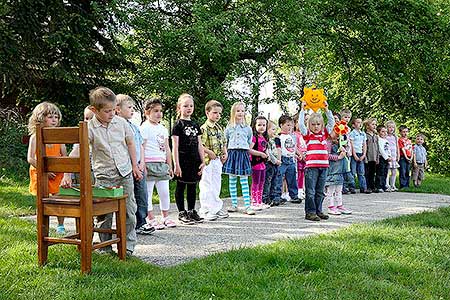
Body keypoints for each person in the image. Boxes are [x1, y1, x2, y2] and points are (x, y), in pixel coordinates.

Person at [61, 86, 141, 256]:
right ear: (93, 110)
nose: (111, 114)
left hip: (124, 172)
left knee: (129, 210)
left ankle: (127, 246)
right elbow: (76, 151)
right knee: (104, 214)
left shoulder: (121, 123)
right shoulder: (89, 128)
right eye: (107, 111)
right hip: (104, 175)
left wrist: (135, 165)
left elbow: (130, 143)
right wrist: (67, 174)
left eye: (113, 110)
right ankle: (105, 247)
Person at [116, 95, 155, 235]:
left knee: (142, 194)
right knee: (130, 196)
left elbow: (140, 145)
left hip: (139, 165)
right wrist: (133, 165)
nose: (132, 110)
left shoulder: (134, 126)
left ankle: (141, 222)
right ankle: (130, 224)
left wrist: (142, 163)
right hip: (128, 166)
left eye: (133, 107)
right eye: (129, 107)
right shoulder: (118, 126)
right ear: (117, 109)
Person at [27, 102, 67, 234]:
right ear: (40, 118)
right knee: (41, 201)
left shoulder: (59, 137)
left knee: (59, 199)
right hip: (40, 172)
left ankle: (60, 225)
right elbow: (31, 158)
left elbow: (64, 156)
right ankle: (42, 225)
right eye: (50, 117)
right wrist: (44, 170)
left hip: (56, 173)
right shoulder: (35, 137)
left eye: (56, 117)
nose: (54, 119)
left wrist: (59, 169)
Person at [140, 98, 176, 229]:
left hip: (162, 165)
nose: (159, 114)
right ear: (146, 112)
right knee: (148, 193)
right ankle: (150, 218)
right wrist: (142, 165)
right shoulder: (144, 128)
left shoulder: (163, 129)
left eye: (161, 111)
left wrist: (170, 165)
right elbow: (141, 147)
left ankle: (165, 217)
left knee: (164, 192)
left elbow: (167, 148)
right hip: (149, 164)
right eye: (155, 111)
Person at [172, 93, 205, 224]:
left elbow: (200, 145)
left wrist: (203, 161)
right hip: (182, 161)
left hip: (194, 161)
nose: (189, 108)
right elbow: (175, 146)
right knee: (181, 186)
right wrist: (176, 164)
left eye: (191, 105)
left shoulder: (196, 125)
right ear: (179, 108)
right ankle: (181, 212)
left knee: (192, 186)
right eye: (185, 106)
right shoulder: (178, 125)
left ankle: (191, 211)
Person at [299, 101, 335, 221]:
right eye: (313, 124)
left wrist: (326, 109)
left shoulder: (324, 133)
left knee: (320, 191)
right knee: (310, 191)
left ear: (321, 125)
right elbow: (301, 125)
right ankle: (310, 212)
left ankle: (319, 210)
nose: (316, 126)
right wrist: (303, 110)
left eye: (318, 124)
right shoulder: (308, 135)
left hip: (324, 166)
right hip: (311, 167)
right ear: (310, 125)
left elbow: (332, 122)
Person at [198, 100, 229, 221]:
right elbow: (200, 145)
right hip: (207, 161)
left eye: (219, 113)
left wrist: (225, 152)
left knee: (216, 184)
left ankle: (216, 208)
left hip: (217, 160)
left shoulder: (219, 128)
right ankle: (205, 209)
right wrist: (208, 152)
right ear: (207, 112)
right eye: (215, 112)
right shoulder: (204, 129)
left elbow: (224, 142)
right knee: (207, 184)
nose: (218, 115)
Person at [222, 102, 255, 215]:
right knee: (232, 180)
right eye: (238, 111)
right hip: (232, 154)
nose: (240, 113)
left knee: (244, 180)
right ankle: (234, 204)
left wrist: (247, 150)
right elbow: (224, 141)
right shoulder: (229, 127)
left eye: (242, 111)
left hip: (243, 154)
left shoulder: (247, 128)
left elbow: (250, 141)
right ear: (233, 113)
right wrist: (225, 153)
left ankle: (247, 206)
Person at [274, 115, 302, 204]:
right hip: (283, 160)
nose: (290, 127)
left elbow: (293, 147)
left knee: (292, 178)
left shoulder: (291, 136)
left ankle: (294, 196)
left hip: (291, 160)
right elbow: (278, 149)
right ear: (281, 125)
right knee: (279, 178)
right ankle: (277, 196)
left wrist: (298, 154)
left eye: (291, 125)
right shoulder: (279, 137)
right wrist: (278, 159)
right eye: (287, 125)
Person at [325, 131, 352, 215]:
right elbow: (326, 155)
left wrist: (345, 148)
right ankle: (331, 206)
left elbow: (347, 152)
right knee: (331, 190)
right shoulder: (328, 143)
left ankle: (339, 205)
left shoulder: (340, 143)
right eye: (335, 132)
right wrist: (338, 157)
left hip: (340, 170)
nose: (338, 134)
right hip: (332, 171)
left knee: (339, 190)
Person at [249, 115, 270, 210]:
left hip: (262, 164)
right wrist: (260, 154)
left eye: (264, 125)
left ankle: (259, 201)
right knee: (256, 182)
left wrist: (266, 155)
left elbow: (265, 149)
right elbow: (249, 150)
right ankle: (254, 201)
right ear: (255, 126)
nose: (262, 127)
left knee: (262, 182)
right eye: (259, 125)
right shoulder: (254, 138)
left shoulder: (264, 138)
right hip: (255, 164)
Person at [262, 120, 282, 206]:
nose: (275, 132)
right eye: (273, 129)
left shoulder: (274, 140)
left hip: (275, 163)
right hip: (269, 163)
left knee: (275, 180)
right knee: (268, 181)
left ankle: (273, 197)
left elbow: (277, 150)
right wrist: (275, 161)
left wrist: (278, 159)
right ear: (267, 130)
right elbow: (268, 152)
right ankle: (265, 198)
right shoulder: (266, 141)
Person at [349, 118, 369, 193]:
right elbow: (351, 145)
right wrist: (354, 155)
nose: (360, 124)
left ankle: (363, 187)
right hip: (354, 153)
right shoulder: (352, 133)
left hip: (361, 154)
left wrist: (364, 154)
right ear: (353, 125)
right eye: (358, 122)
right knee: (353, 171)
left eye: (361, 122)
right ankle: (352, 187)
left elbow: (364, 144)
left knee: (361, 172)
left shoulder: (363, 133)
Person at [340, 109, 356, 194]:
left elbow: (349, 140)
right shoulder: (339, 127)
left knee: (347, 169)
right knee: (342, 170)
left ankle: (348, 186)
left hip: (348, 151)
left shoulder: (348, 129)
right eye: (345, 117)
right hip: (342, 151)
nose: (347, 119)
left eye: (349, 117)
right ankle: (342, 187)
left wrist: (350, 150)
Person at [293, 114, 307, 200]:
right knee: (299, 174)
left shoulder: (304, 134)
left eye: (305, 121)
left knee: (304, 174)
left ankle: (303, 190)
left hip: (306, 157)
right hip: (299, 157)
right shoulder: (295, 134)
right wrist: (300, 154)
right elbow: (295, 146)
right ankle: (299, 190)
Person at [364, 118, 379, 193]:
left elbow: (377, 148)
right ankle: (368, 186)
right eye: (372, 124)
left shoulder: (376, 136)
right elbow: (364, 147)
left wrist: (377, 158)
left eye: (375, 124)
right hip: (368, 157)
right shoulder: (365, 135)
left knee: (373, 173)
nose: (374, 126)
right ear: (367, 126)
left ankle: (373, 186)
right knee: (367, 173)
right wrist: (365, 157)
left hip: (374, 158)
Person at [375, 125, 391, 192]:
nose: (385, 133)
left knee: (385, 172)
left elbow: (388, 149)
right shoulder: (379, 140)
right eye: (382, 131)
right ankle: (378, 186)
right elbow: (381, 149)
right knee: (380, 172)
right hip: (382, 158)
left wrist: (389, 156)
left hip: (387, 158)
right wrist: (386, 157)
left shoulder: (386, 140)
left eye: (386, 131)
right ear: (378, 132)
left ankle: (384, 185)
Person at [385, 120, 400, 192]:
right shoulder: (385, 137)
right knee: (387, 171)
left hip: (394, 155)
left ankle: (393, 185)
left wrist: (398, 155)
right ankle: (387, 185)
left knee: (394, 171)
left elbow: (397, 146)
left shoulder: (395, 137)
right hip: (388, 156)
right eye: (389, 127)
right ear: (386, 128)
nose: (391, 129)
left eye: (393, 127)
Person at [398, 125, 413, 189]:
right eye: (403, 132)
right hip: (403, 157)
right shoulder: (400, 140)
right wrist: (406, 157)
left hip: (409, 157)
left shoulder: (409, 141)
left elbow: (411, 149)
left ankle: (407, 184)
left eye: (406, 131)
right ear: (400, 132)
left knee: (407, 171)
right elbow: (403, 149)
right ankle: (403, 185)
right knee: (403, 171)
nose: (405, 133)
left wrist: (411, 157)